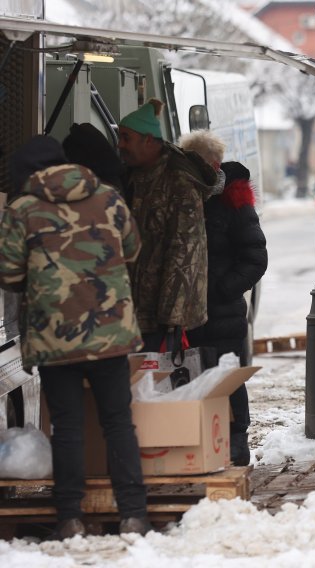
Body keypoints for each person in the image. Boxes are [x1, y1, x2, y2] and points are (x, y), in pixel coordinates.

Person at [0, 136, 150, 539]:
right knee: (118, 422)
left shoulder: (21, 209)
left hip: (55, 338)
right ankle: (134, 514)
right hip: (111, 333)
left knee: (66, 427)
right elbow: (133, 250)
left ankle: (69, 518)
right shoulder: (109, 197)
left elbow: (9, 275)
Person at [179, 131, 269, 466]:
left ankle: (236, 441)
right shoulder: (184, 197)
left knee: (227, 379)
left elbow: (256, 258)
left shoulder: (233, 201)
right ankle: (202, 443)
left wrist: (222, 289)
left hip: (222, 312)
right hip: (187, 313)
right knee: (192, 380)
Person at [117, 99, 217, 350]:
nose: (120, 145)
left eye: (126, 138)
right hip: (136, 314)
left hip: (160, 321)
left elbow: (183, 253)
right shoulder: (134, 176)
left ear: (148, 140)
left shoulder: (178, 183)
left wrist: (171, 322)